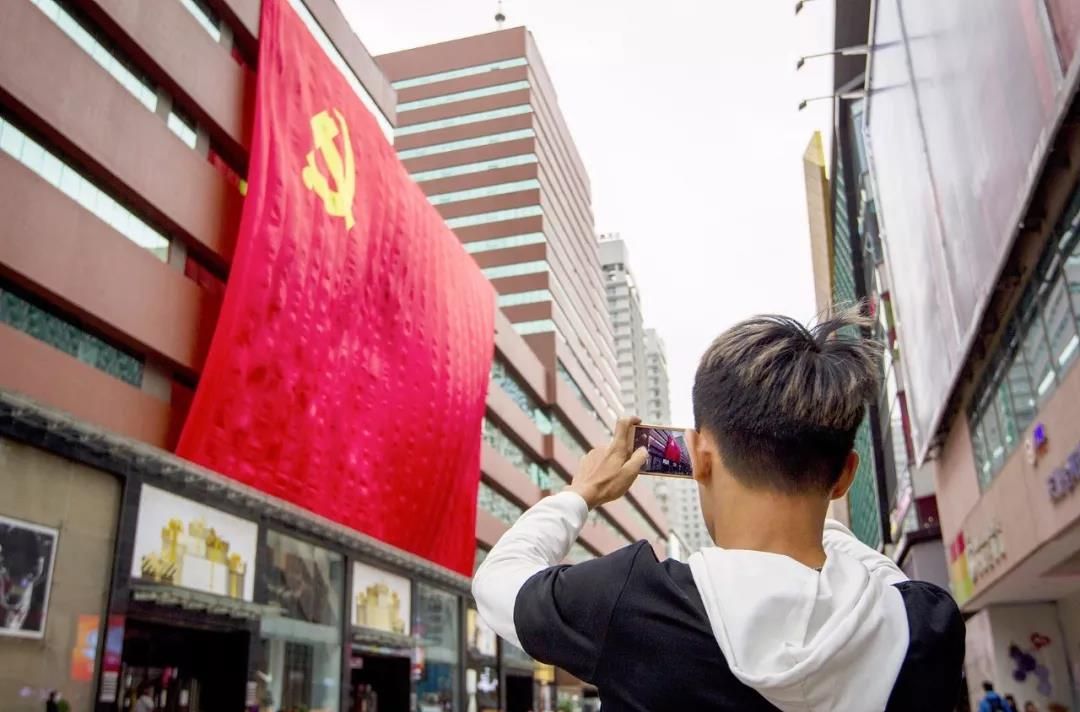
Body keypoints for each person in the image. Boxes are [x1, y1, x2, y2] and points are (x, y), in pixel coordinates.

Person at [473, 308, 966, 711]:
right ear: (844, 476)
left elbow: (497, 581)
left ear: (699, 457)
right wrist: (815, 488)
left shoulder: (630, 602)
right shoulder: (926, 626)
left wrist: (580, 492)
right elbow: (882, 576)